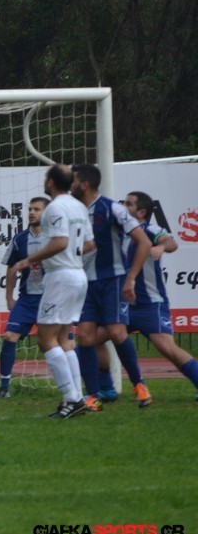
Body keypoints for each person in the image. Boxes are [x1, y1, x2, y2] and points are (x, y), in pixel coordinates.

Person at [11, 165, 93, 418]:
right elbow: (89, 243)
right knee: (64, 339)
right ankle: (76, 397)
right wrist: (72, 255)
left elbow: (60, 242)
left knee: (45, 339)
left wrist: (29, 260)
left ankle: (72, 399)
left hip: (60, 277)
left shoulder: (55, 208)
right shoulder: (79, 207)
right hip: (77, 274)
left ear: (50, 183)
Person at [70, 163, 152, 409]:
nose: (70, 185)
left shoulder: (112, 208)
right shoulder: (73, 210)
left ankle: (139, 385)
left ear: (84, 184)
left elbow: (144, 242)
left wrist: (131, 278)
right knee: (85, 336)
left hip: (113, 280)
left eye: (73, 181)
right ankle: (93, 395)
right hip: (86, 282)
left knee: (116, 332)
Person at [122, 191, 198, 398]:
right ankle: (105, 390)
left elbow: (171, 243)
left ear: (141, 212)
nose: (123, 206)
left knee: (168, 348)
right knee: (92, 338)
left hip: (150, 305)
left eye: (128, 204)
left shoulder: (149, 230)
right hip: (124, 304)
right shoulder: (121, 232)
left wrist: (162, 246)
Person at [0, 196, 50, 398]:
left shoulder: (55, 238)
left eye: (37, 209)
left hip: (50, 298)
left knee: (59, 343)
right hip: (26, 299)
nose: (32, 212)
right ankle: (4, 387)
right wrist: (9, 297)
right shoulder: (19, 239)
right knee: (9, 336)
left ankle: (78, 383)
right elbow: (11, 269)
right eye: (30, 209)